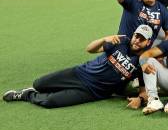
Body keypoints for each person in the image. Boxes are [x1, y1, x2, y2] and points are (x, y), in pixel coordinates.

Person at [3, 26, 153, 108]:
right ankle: (34, 88)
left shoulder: (142, 62)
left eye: (142, 39)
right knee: (39, 83)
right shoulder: (121, 42)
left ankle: (26, 94)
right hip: (79, 73)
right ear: (133, 35)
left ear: (148, 43)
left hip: (92, 92)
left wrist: (139, 100)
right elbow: (90, 49)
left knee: (50, 102)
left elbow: (143, 91)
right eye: (137, 36)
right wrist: (103, 39)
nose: (137, 40)